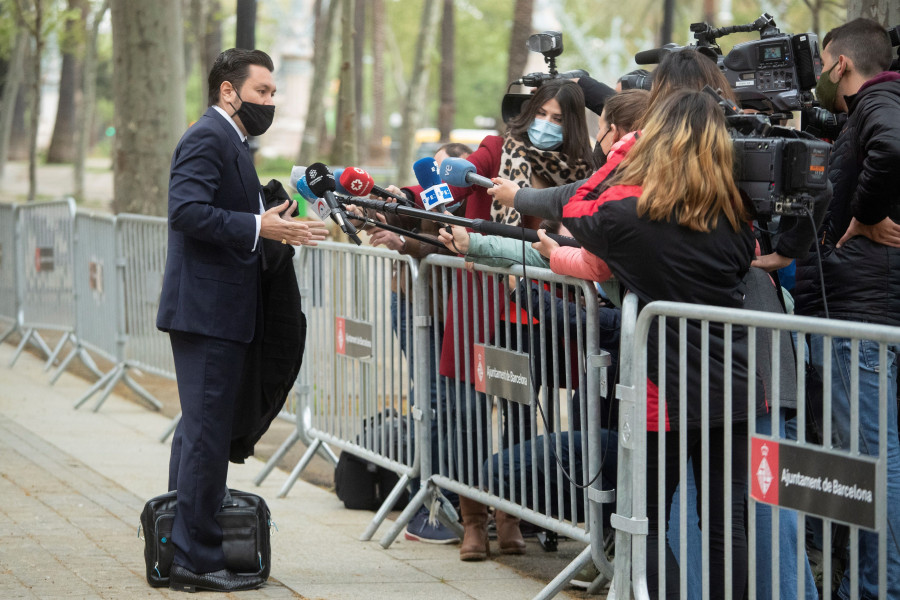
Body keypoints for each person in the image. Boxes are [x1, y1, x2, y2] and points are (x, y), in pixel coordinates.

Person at [561, 89, 764, 598]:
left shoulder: (628, 215)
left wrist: (623, 150)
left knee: (642, 520)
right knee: (727, 529)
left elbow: (576, 206)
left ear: (655, 141)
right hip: (735, 389)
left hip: (664, 394)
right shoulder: (737, 218)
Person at [156, 48, 327, 593]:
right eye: (262, 92)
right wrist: (259, 227)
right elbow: (185, 210)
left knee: (200, 433)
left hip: (221, 310)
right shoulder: (208, 136)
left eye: (273, 93)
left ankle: (183, 543)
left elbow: (235, 214)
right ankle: (194, 559)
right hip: (207, 313)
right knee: (206, 436)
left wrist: (278, 220)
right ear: (229, 91)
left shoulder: (232, 141)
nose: (270, 101)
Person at [440, 78, 595, 562]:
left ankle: (510, 513)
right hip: (482, 304)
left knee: (523, 416)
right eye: (541, 114)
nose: (547, 126)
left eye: (558, 119)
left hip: (539, 312)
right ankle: (472, 519)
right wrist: (454, 172)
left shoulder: (582, 171)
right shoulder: (496, 149)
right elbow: (458, 174)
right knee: (468, 415)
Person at [793, 18, 900, 600]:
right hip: (861, 308)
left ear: (840, 64)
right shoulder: (866, 110)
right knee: (866, 458)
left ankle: (876, 588)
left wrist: (863, 213)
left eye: (823, 64)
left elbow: (892, 146)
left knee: (871, 461)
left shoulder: (880, 101)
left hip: (861, 316)